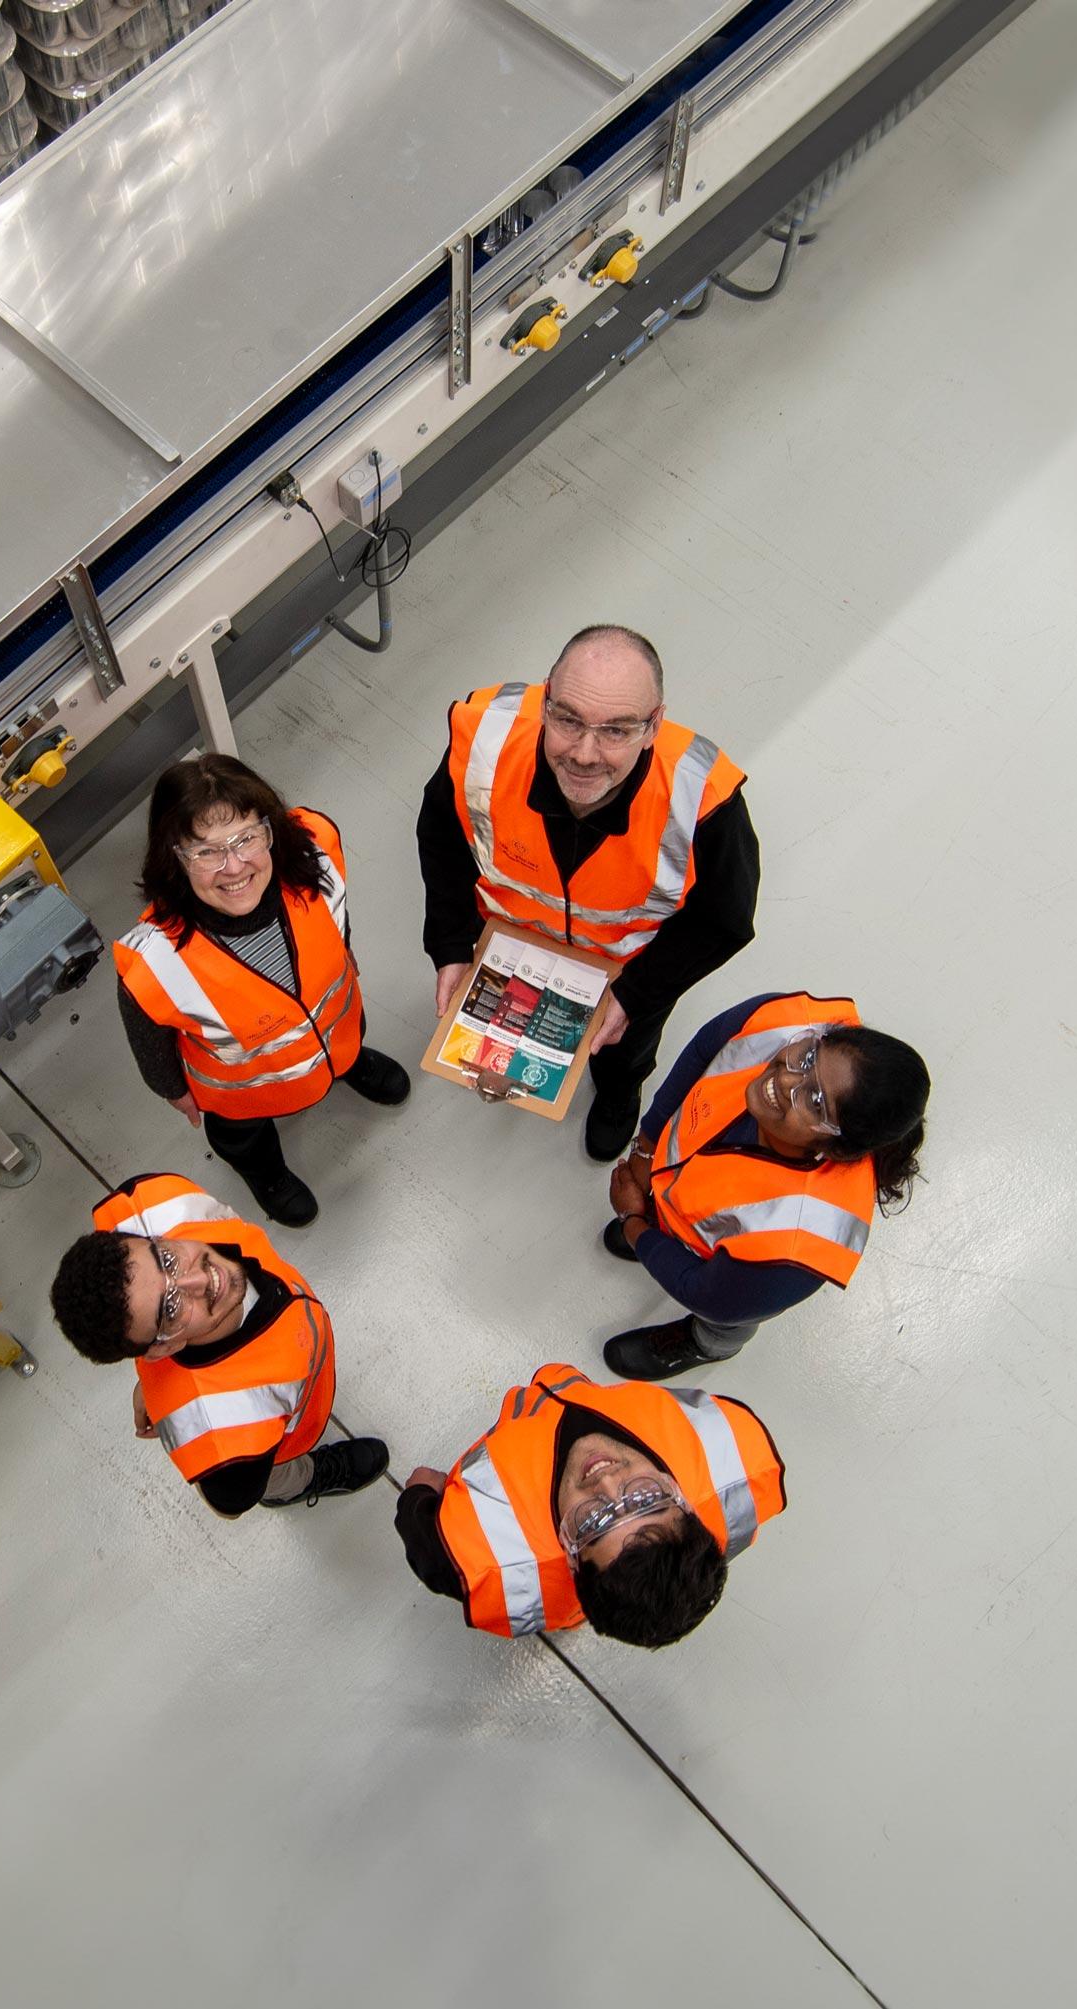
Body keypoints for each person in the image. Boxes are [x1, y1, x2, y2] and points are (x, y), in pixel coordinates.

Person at [416, 624, 759, 1162]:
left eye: (617, 730)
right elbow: (442, 836)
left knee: (624, 1053)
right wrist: (453, 943)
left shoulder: (701, 797)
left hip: (628, 970)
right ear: (545, 698)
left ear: (655, 726)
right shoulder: (486, 738)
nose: (584, 753)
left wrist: (637, 993)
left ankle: (619, 1097)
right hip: (512, 948)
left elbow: (725, 919)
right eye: (568, 719)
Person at [113, 754, 410, 1227]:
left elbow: (338, 919)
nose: (234, 867)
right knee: (243, 1138)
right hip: (243, 1099)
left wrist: (345, 956)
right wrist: (171, 1089)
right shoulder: (154, 960)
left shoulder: (318, 851)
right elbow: (147, 1037)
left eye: (247, 837)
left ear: (269, 828)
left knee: (347, 1042)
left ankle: (351, 1063)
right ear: (174, 856)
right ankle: (267, 1174)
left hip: (337, 1031)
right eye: (206, 851)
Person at [600, 991, 929, 1380]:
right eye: (808, 1057)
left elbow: (709, 1295)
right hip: (675, 1189)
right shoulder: (788, 1022)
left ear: (837, 1151)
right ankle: (666, 1231)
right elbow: (707, 1046)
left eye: (816, 1101)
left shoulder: (794, 1250)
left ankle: (705, 1346)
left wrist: (635, 1222)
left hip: (727, 1290)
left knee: (721, 1324)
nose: (785, 1080)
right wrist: (646, 1148)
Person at [46, 1172, 389, 1514]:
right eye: (171, 1307)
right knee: (276, 1475)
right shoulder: (229, 1453)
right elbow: (230, 1503)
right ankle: (299, 1481)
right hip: (272, 1449)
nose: (201, 1278)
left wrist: (152, 1382)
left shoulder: (157, 1202)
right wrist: (157, 1386)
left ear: (145, 1238)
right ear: (162, 1350)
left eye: (167, 1259)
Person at [395, 1362, 784, 1643]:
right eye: (647, 1498)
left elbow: (428, 1545)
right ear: (682, 1501)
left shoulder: (477, 1556)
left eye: (594, 1522)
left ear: (571, 1558)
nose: (608, 1481)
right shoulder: (728, 1445)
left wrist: (422, 1494)